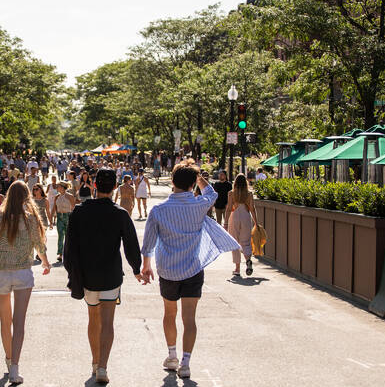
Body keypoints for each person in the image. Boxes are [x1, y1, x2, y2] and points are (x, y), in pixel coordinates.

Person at [141, 161, 240, 379]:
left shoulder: (158, 210)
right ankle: (185, 363)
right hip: (193, 268)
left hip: (168, 270)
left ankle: (172, 355)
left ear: (173, 182)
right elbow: (212, 194)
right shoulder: (199, 204)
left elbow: (148, 244)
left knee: (169, 313)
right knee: (189, 318)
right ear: (192, 184)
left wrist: (146, 266)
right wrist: (199, 178)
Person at [63, 169, 143, 384]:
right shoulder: (120, 214)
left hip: (88, 275)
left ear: (94, 186)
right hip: (111, 274)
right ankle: (103, 367)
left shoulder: (79, 212)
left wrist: (72, 274)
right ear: (115, 187)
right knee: (108, 322)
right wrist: (137, 268)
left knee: (93, 319)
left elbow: (69, 248)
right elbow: (131, 245)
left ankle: (94, 361)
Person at [0, 180, 51, 384]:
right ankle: (15, 368)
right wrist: (46, 263)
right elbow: (39, 244)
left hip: (1, 273)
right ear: (26, 197)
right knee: (19, 322)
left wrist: (0, 256)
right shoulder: (30, 218)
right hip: (22, 273)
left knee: (5, 320)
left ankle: (8, 358)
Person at [225, 174, 258, 276]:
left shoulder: (231, 193)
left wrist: (225, 222)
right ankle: (248, 261)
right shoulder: (249, 194)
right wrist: (256, 222)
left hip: (234, 217)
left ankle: (237, 268)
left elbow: (229, 208)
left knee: (235, 242)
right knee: (246, 242)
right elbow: (252, 209)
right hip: (246, 217)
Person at [52, 181, 76, 262]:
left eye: (58, 186)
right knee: (60, 235)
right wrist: (52, 219)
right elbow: (54, 208)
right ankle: (60, 254)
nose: (57, 187)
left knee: (68, 236)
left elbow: (74, 208)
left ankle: (69, 253)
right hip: (60, 217)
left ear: (62, 187)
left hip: (68, 216)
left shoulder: (70, 196)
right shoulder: (57, 197)